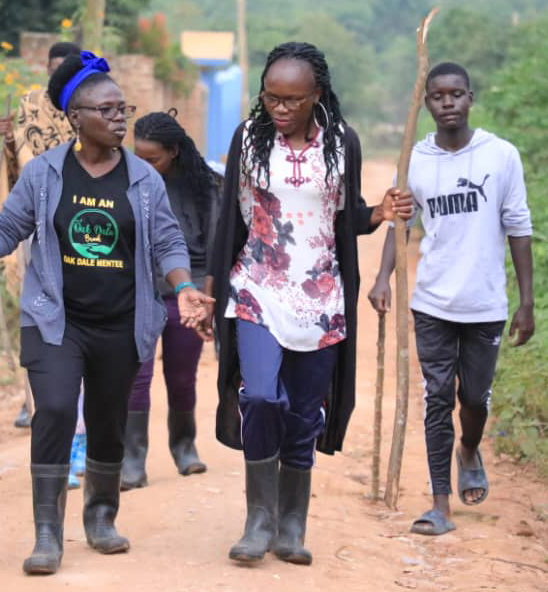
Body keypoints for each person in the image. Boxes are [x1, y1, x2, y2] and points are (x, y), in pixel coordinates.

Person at [0, 51, 213, 576]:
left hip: (122, 322)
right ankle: (47, 533)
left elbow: (168, 242)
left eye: (122, 109)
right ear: (76, 118)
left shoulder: (143, 179)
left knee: (108, 420)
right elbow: (8, 228)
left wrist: (182, 286)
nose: (119, 119)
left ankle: (101, 516)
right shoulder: (44, 174)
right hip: (56, 321)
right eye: (107, 110)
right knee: (58, 410)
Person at [204, 42, 413, 565]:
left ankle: (292, 524)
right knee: (260, 398)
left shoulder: (343, 145)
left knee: (303, 412)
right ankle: (258, 519)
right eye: (271, 97)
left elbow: (348, 217)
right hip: (256, 288)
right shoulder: (248, 142)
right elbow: (229, 219)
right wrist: (211, 290)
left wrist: (380, 213)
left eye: (292, 99)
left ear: (317, 95)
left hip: (321, 299)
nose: (279, 108)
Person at [368, 62, 534, 536]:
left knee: (474, 399)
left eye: (456, 94)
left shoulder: (500, 156)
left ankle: (469, 449)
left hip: (485, 303)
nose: (447, 103)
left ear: (470, 98)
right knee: (437, 399)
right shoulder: (415, 160)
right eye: (437, 96)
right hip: (432, 302)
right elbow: (401, 224)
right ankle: (440, 504)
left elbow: (518, 229)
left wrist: (527, 302)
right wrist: (383, 277)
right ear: (426, 104)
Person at [121, 109, 220, 489]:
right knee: (136, 376)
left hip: (189, 290)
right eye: (138, 157)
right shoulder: (127, 183)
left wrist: (206, 302)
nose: (143, 165)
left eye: (152, 159)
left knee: (181, 374)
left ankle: (184, 446)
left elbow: (214, 249)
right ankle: (133, 459)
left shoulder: (208, 186)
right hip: (140, 289)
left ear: (174, 151)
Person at [0, 41, 82, 433]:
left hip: (82, 232)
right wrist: (8, 141)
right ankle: (32, 398)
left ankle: (75, 404)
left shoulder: (91, 111)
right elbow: (17, 177)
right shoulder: (30, 111)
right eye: (52, 69)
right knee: (36, 314)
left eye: (65, 68)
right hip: (37, 232)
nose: (56, 76)